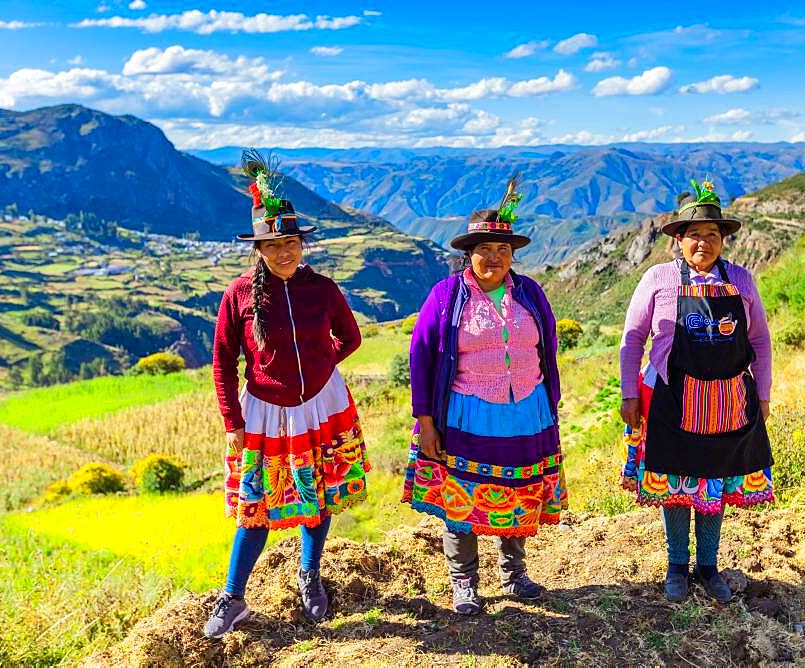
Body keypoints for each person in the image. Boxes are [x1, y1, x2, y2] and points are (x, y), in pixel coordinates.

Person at [204, 151, 369, 638]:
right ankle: (234, 597)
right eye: (273, 245)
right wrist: (232, 421)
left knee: (316, 498)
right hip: (264, 414)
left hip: (322, 405)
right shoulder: (239, 295)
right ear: (257, 248)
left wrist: (321, 369)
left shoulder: (321, 289)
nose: (284, 253)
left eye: (291, 243)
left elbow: (351, 338)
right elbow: (222, 362)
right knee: (255, 505)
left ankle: (309, 573)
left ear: (302, 244)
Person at [402, 176, 567, 615]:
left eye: (502, 250)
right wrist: (426, 421)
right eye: (484, 250)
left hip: (526, 410)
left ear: (512, 254)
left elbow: (546, 346)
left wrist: (550, 401)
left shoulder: (530, 292)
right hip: (468, 411)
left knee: (518, 488)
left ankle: (515, 574)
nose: (493, 258)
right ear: (467, 253)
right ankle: (465, 582)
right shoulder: (447, 297)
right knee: (464, 494)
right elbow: (421, 355)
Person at [619, 179, 773, 603]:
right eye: (694, 235)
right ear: (678, 241)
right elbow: (633, 338)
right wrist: (628, 393)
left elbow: (759, 341)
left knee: (714, 482)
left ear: (723, 240)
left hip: (727, 401)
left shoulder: (740, 280)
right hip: (669, 397)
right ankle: (675, 566)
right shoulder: (658, 279)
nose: (703, 243)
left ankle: (708, 566)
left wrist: (762, 395)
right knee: (675, 483)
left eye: (712, 235)